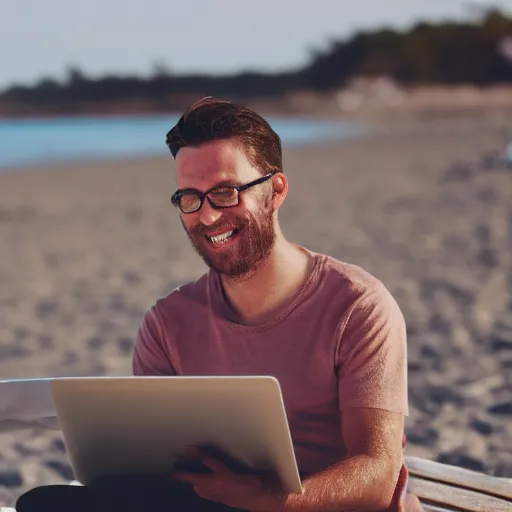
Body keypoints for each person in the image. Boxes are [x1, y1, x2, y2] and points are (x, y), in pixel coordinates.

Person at [16, 97, 424, 511]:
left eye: (226, 193)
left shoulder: (357, 307)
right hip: (212, 505)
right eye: (190, 198)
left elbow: (377, 474)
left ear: (276, 190)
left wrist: (266, 500)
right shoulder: (167, 324)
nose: (208, 217)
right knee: (44, 503)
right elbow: (152, 468)